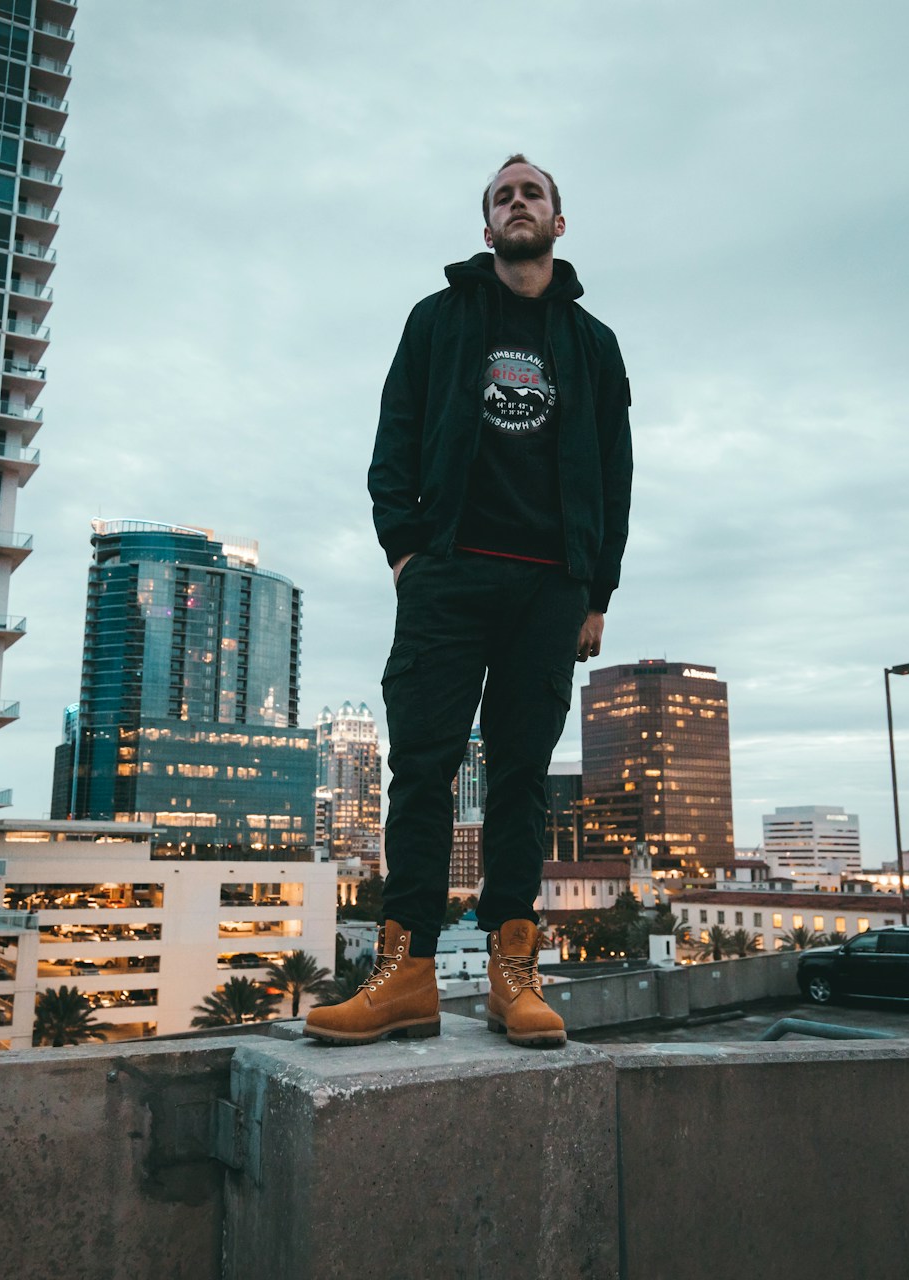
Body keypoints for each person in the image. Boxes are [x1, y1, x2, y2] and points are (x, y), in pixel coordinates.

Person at [305, 154, 633, 1049]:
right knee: (421, 767)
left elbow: (615, 474)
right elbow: (395, 438)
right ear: (486, 225)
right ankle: (404, 974)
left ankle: (511, 970)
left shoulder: (594, 345)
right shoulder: (439, 319)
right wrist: (407, 553)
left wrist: (593, 592)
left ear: (557, 224)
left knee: (523, 778)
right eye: (503, 195)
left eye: (533, 193)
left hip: (548, 588)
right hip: (448, 574)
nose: (518, 203)